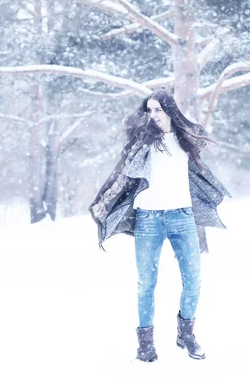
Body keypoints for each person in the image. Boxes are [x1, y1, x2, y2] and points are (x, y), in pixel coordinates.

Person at [88, 90, 231, 362]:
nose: (152, 115)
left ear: (169, 110)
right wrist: (104, 203)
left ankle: (185, 333)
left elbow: (197, 159)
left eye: (157, 110)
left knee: (193, 280)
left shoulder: (185, 139)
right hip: (149, 219)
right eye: (149, 110)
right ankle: (145, 344)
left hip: (182, 217)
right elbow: (123, 174)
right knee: (146, 284)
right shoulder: (142, 142)